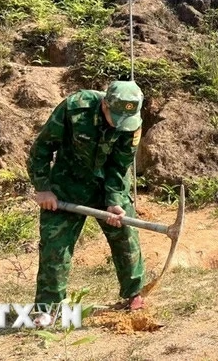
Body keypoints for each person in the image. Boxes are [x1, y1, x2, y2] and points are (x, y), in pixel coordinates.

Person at [29, 80, 147, 311]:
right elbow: (42, 147)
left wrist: (114, 201)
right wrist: (43, 188)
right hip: (66, 186)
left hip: (107, 186)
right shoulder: (75, 108)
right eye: (116, 118)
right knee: (55, 247)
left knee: (125, 236)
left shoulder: (132, 124)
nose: (120, 125)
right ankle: (48, 308)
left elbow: (119, 166)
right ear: (105, 105)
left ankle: (133, 295)